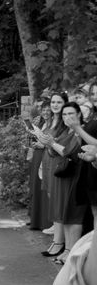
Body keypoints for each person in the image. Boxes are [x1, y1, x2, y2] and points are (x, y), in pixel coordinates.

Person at [37, 102, 88, 264]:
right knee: (66, 215)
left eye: (71, 114)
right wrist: (49, 143)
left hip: (76, 176)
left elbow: (71, 153)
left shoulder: (82, 131)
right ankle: (67, 249)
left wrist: (52, 143)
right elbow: (55, 153)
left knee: (74, 216)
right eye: (64, 115)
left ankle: (72, 252)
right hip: (63, 176)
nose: (67, 117)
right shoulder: (67, 130)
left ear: (79, 114)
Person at [28, 101, 52, 230]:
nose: (45, 112)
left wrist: (42, 145)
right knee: (36, 186)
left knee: (44, 187)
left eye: (48, 110)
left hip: (46, 155)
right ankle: (35, 219)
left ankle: (45, 222)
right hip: (37, 156)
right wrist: (34, 142)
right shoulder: (41, 123)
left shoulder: (54, 124)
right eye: (43, 110)